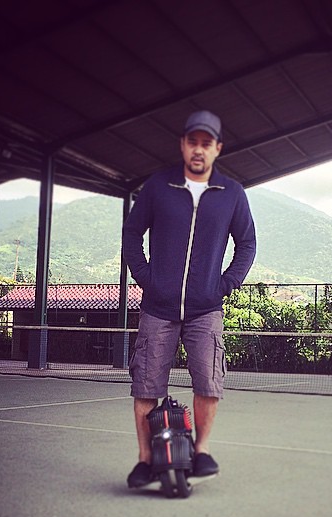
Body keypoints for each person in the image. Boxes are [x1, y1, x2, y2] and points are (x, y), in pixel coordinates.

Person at [122, 110, 257, 488]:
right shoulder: (157, 186)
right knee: (146, 386)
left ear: (217, 149)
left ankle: (201, 452)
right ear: (183, 145)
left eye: (206, 143)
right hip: (158, 307)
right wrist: (146, 278)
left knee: (209, 383)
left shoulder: (232, 194)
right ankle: (145, 460)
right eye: (193, 142)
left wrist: (225, 284)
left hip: (205, 308)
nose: (199, 149)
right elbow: (132, 233)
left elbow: (247, 244)